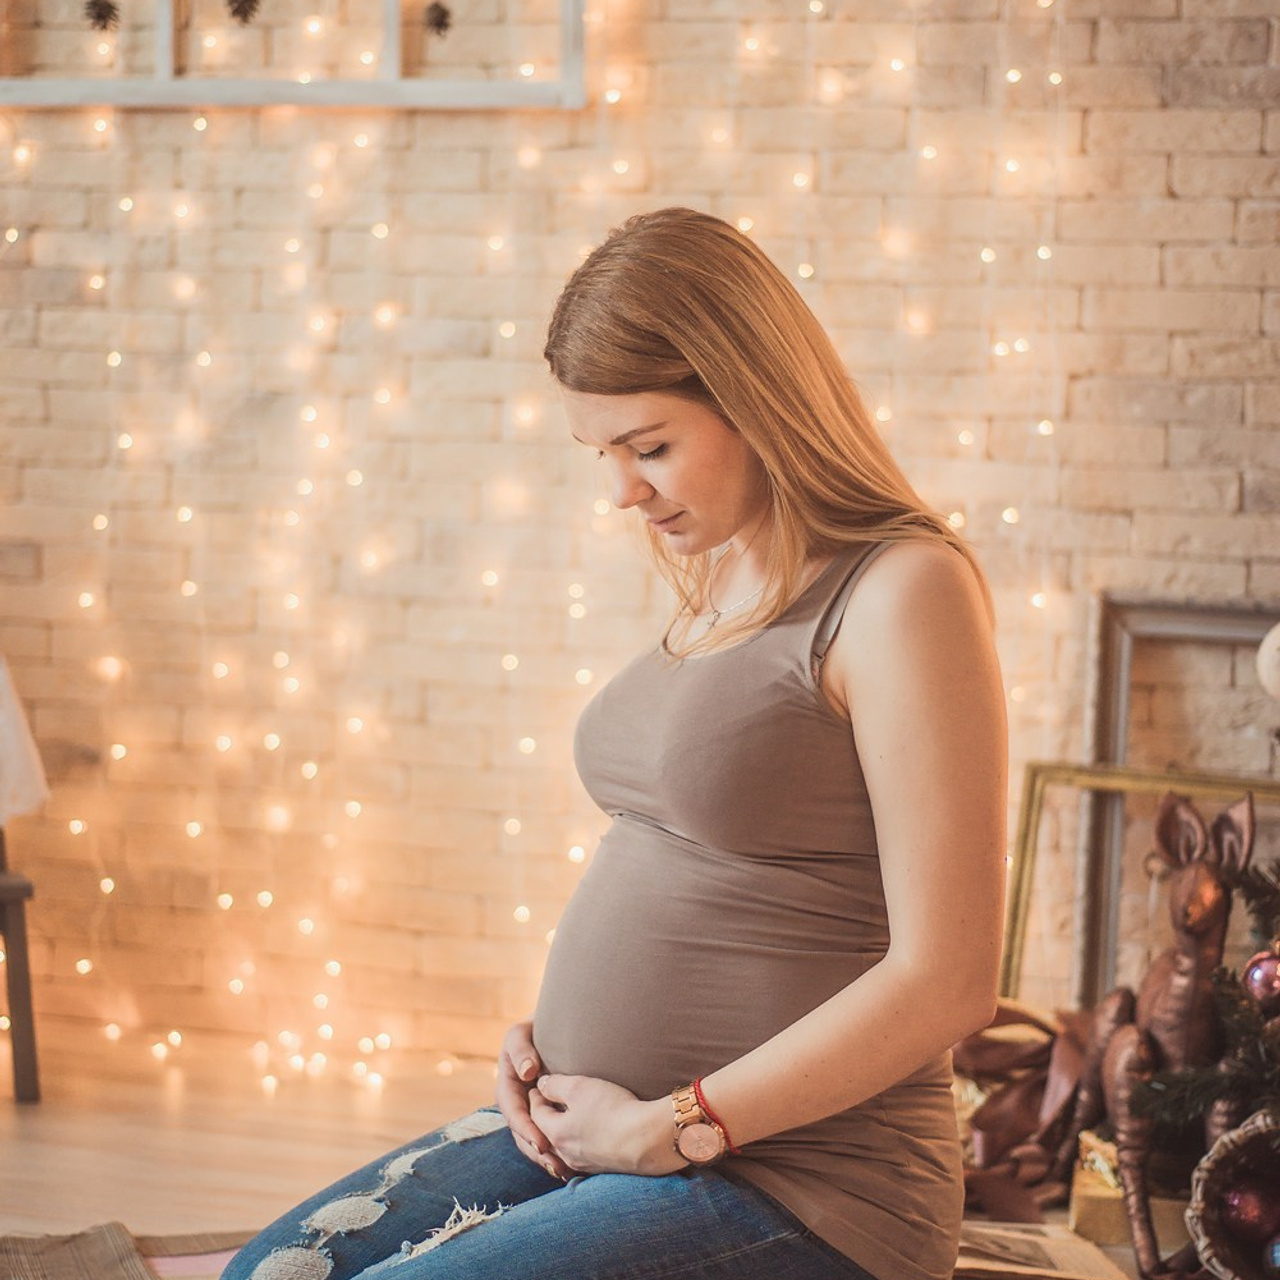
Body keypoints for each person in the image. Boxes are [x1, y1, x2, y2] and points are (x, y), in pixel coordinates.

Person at [221, 206, 1008, 1280]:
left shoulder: (903, 589)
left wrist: (677, 1124)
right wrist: (555, 1036)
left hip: (804, 1182)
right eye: (604, 453)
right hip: (605, 1127)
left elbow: (949, 978)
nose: (621, 491)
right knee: (267, 1273)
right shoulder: (727, 568)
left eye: (650, 447)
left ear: (757, 398)